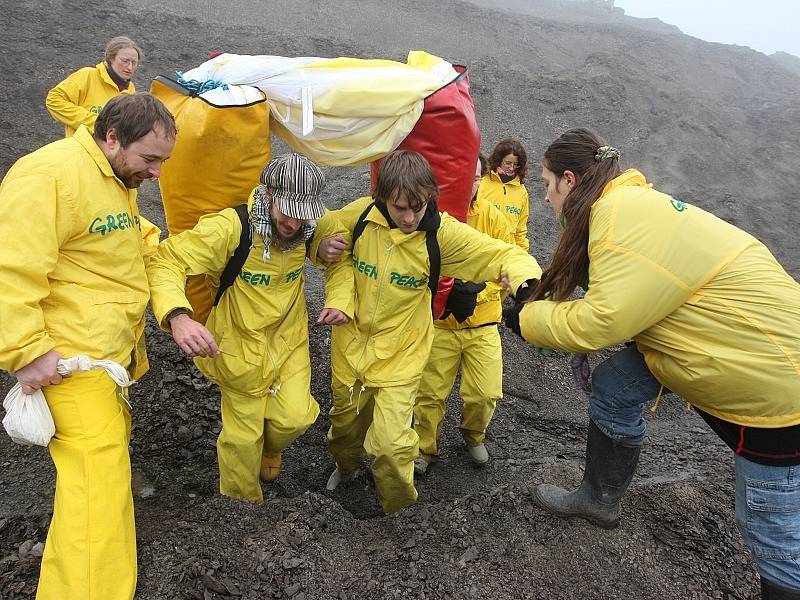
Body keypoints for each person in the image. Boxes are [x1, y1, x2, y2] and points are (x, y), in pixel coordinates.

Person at [508, 128, 800, 598]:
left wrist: (526, 320)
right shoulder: (629, 205)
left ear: (569, 178)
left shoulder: (617, 213)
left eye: (546, 183)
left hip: (772, 378)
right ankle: (600, 499)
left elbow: (602, 320)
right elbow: (623, 287)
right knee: (616, 384)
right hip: (722, 334)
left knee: (774, 531)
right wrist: (534, 296)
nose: (544, 196)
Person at [0, 93, 176, 600]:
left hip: (103, 360)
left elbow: (104, 235)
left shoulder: (112, 176)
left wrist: (152, 239)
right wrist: (27, 351)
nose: (158, 173)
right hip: (68, 363)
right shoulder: (50, 176)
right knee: (95, 495)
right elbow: (11, 268)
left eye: (163, 161)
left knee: (96, 482)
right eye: (150, 159)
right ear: (112, 136)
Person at [323, 150, 542, 514]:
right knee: (344, 431)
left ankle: (398, 509)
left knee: (391, 447)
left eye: (419, 207)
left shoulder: (442, 236)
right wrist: (324, 248)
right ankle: (345, 469)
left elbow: (503, 253)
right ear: (382, 200)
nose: (410, 218)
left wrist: (525, 280)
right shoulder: (360, 216)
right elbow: (323, 237)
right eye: (399, 208)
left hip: (402, 355)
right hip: (349, 350)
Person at [147, 153, 354, 503]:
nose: (295, 220)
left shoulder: (312, 223)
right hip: (237, 346)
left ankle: (271, 448)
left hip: (289, 342)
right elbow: (165, 260)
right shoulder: (230, 228)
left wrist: (334, 284)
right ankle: (242, 509)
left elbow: (340, 257)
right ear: (268, 193)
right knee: (242, 440)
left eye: (304, 211)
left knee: (296, 418)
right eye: (288, 208)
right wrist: (177, 315)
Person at [412, 154, 514, 474]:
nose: (470, 183)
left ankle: (473, 435)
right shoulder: (432, 218)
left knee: (485, 393)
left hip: (482, 322)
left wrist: (476, 291)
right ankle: (423, 449)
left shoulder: (495, 220)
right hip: (440, 324)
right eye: (465, 175)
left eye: (476, 177)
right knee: (429, 393)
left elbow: (508, 268)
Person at [46, 36, 142, 137]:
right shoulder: (88, 76)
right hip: (81, 149)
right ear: (111, 59)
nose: (130, 67)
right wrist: (95, 122)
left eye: (134, 63)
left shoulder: (131, 91)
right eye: (125, 61)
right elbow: (53, 100)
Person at [477, 138, 530, 250]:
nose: (511, 168)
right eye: (508, 163)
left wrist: (523, 253)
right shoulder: (481, 182)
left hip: (507, 252)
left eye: (516, 164)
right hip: (481, 249)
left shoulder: (521, 191)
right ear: (498, 160)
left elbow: (520, 230)